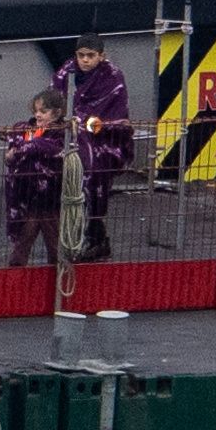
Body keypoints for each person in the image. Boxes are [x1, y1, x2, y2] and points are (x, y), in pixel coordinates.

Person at [51, 34, 133, 262]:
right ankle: (65, 238)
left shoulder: (113, 78)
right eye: (81, 55)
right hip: (68, 136)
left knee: (95, 177)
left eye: (90, 56)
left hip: (104, 141)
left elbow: (114, 116)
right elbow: (53, 102)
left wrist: (81, 121)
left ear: (101, 56)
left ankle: (95, 236)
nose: (85, 60)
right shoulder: (65, 72)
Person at [4, 88, 67, 267]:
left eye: (43, 111)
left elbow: (57, 150)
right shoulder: (24, 130)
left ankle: (56, 285)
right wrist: (13, 155)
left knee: (55, 250)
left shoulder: (63, 133)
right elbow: (11, 155)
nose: (38, 115)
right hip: (28, 200)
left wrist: (25, 148)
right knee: (20, 248)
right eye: (36, 111)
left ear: (57, 113)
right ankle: (16, 283)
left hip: (51, 201)